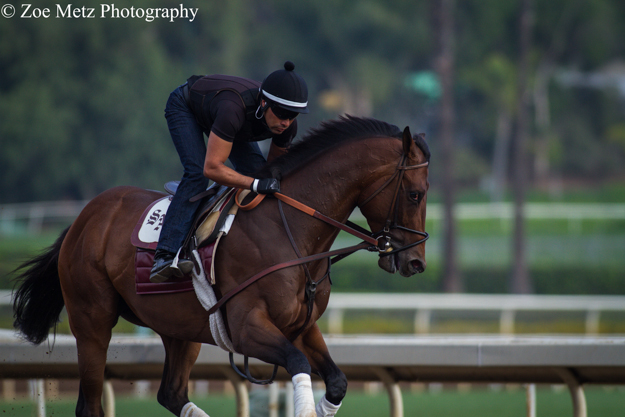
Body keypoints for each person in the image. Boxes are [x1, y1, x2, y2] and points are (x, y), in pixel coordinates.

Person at [150, 61, 309, 283]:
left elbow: (271, 173)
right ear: (264, 102)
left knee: (260, 176)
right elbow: (212, 167)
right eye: (282, 113)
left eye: (293, 115)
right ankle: (164, 255)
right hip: (187, 106)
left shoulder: (287, 126)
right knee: (197, 174)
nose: (286, 122)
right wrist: (254, 184)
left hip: (223, 116)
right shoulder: (233, 110)